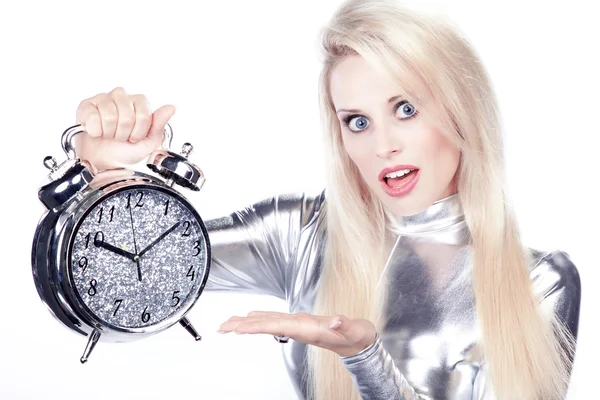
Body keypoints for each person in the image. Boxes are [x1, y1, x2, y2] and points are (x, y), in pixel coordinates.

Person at [72, 0, 581, 399]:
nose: (382, 145)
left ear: (462, 109)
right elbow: (116, 277)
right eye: (356, 121)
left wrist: (365, 358)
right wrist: (106, 178)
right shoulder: (303, 234)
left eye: (405, 108)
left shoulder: (538, 282)